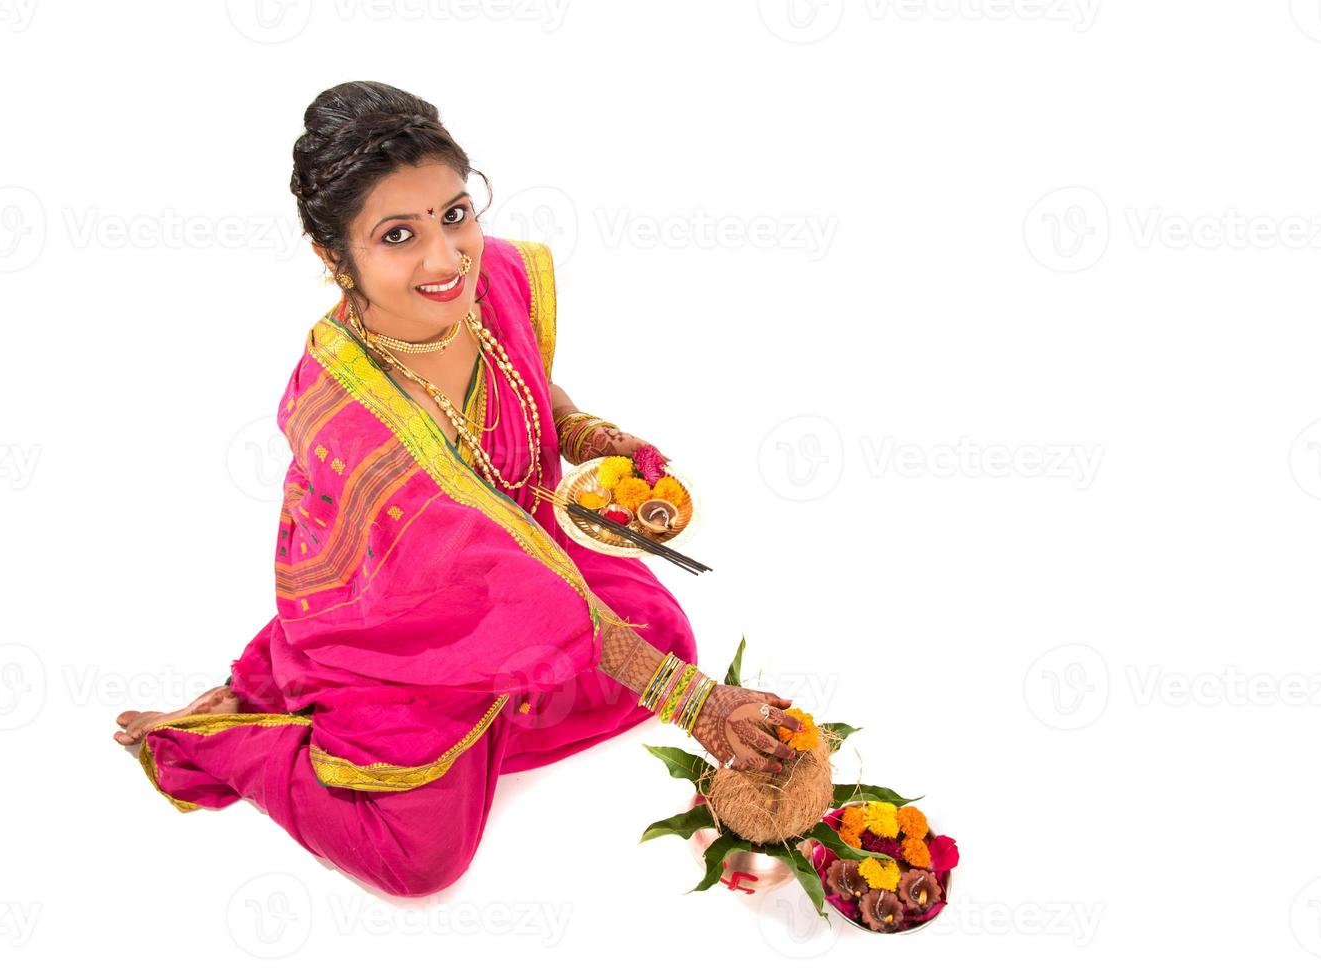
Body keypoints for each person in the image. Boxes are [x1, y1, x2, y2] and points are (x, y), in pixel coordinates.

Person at [112, 81, 805, 899]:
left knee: (662, 629)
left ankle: (449, 708)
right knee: (420, 864)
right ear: (334, 257)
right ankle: (228, 735)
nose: (445, 259)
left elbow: (530, 383)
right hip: (401, 622)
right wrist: (690, 702)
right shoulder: (345, 409)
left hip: (524, 554)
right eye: (398, 235)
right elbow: (478, 566)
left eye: (453, 214)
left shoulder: (492, 277)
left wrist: (585, 432)